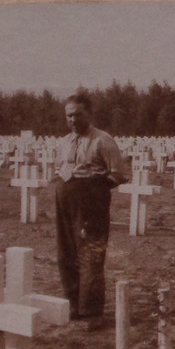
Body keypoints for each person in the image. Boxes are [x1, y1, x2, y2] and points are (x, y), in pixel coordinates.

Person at [53, 92, 130, 327]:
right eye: (69, 116)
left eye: (77, 115)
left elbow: (119, 174)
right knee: (66, 253)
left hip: (91, 203)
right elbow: (59, 168)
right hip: (65, 200)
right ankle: (72, 304)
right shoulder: (64, 142)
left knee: (91, 254)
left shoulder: (102, 140)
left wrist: (93, 189)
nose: (73, 120)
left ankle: (92, 311)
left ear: (89, 113)